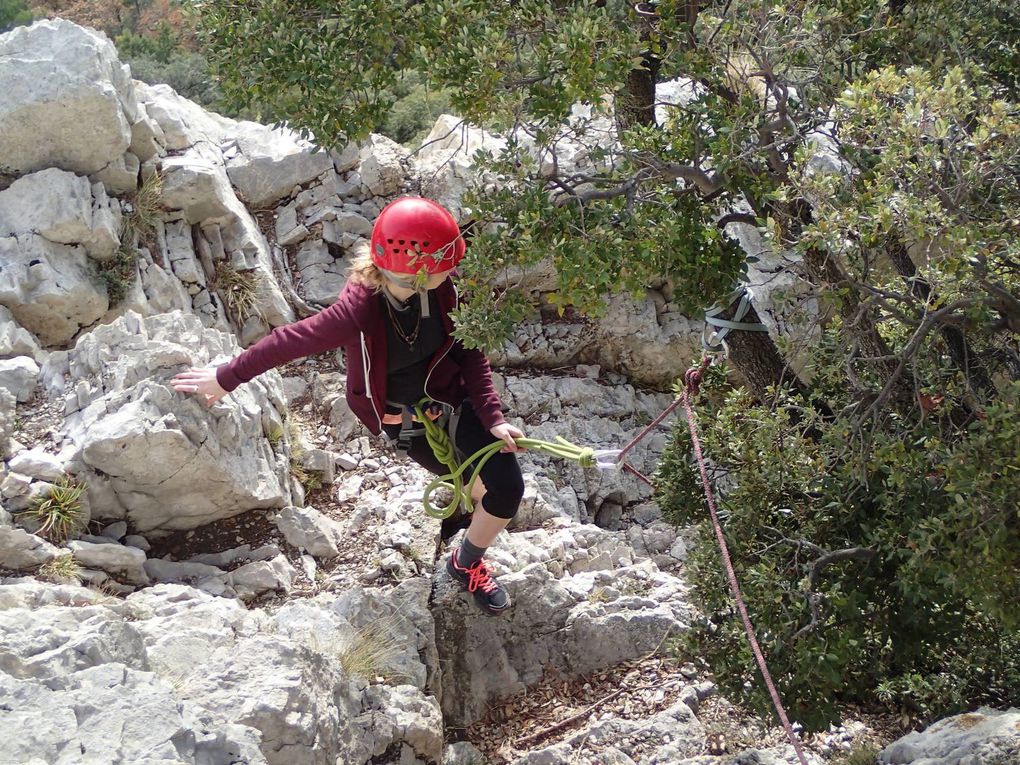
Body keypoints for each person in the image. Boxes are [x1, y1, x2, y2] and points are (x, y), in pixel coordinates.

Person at [171, 196, 524, 615]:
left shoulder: (443, 291)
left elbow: (470, 352)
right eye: (444, 265)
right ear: (414, 272)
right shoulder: (357, 311)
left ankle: (464, 563)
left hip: (456, 402)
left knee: (505, 490)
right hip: (404, 420)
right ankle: (464, 521)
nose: (453, 272)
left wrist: (493, 418)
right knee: (471, 484)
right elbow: (290, 341)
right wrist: (225, 378)